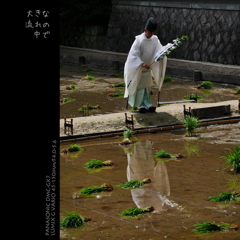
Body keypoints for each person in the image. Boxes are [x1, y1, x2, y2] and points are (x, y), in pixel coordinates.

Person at [124, 17, 167, 113]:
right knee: (139, 89)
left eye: (152, 33)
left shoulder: (155, 40)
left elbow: (159, 51)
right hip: (139, 68)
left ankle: (147, 105)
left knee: (147, 88)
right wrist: (142, 64)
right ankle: (139, 106)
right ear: (145, 30)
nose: (151, 35)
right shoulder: (138, 40)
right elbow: (133, 55)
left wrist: (163, 53)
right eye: (149, 32)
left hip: (148, 69)